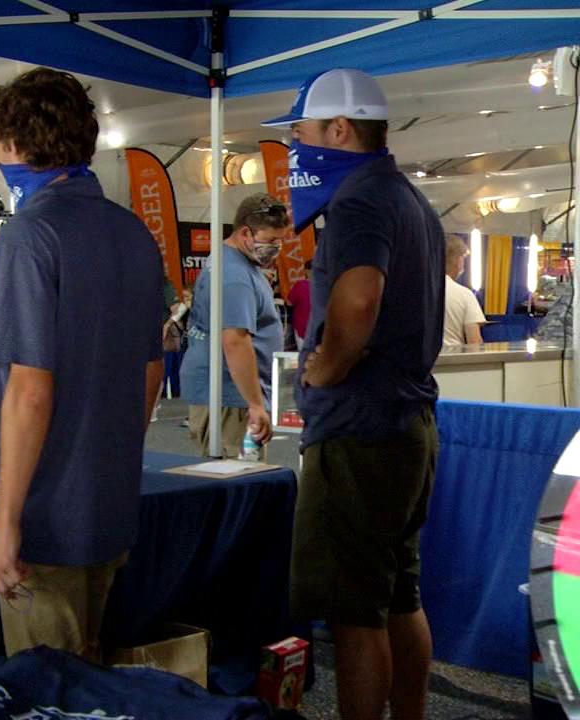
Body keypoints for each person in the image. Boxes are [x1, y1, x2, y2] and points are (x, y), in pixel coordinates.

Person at [263, 68, 444, 720]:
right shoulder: (409, 198)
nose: (293, 145)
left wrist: (327, 366)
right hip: (407, 423)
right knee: (399, 594)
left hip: (361, 428)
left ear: (338, 129)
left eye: (300, 130)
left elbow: (361, 295)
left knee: (355, 614)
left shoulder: (361, 198)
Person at [0, 67, 165, 663]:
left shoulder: (29, 235)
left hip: (48, 517)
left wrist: (5, 525)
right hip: (109, 502)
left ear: (12, 144)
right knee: (92, 675)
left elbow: (29, 390)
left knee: (49, 689)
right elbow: (151, 371)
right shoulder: (133, 232)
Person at [178, 193, 288, 459]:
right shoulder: (235, 276)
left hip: (228, 393)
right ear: (245, 233)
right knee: (237, 478)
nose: (276, 247)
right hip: (230, 398)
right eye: (271, 240)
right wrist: (254, 403)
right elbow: (235, 341)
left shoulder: (233, 263)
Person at [442, 234, 485, 346]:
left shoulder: (414, 291)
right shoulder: (464, 295)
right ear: (459, 260)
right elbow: (474, 341)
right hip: (454, 359)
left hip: (418, 360)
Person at [288, 262, 312, 349]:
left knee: (302, 354)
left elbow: (289, 302)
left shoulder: (300, 285)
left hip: (301, 326)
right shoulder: (324, 286)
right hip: (319, 326)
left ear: (306, 271)